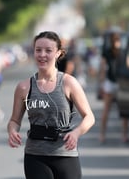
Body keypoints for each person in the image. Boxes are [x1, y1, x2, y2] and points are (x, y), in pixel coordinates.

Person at [7, 31, 95, 179]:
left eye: (48, 50)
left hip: (65, 154)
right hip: (35, 156)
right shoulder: (24, 87)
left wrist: (76, 133)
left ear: (58, 53)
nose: (42, 55)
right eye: (38, 50)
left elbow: (89, 117)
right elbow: (15, 121)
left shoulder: (69, 83)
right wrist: (12, 131)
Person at [99, 32, 129, 143]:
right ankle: (102, 134)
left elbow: (128, 65)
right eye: (115, 40)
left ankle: (124, 134)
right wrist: (102, 84)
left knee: (124, 111)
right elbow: (103, 68)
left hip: (120, 83)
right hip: (110, 82)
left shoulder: (123, 52)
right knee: (107, 109)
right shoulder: (108, 52)